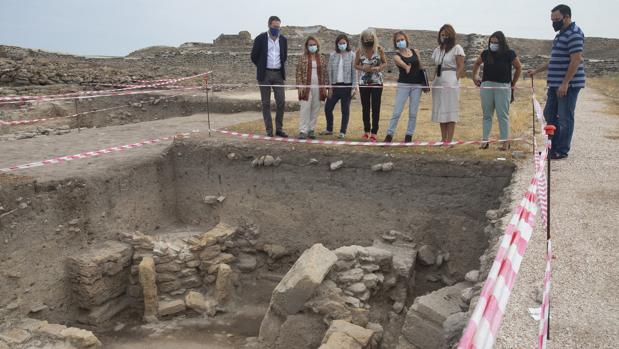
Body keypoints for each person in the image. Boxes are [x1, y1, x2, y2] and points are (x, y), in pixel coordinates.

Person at [527, 4, 585, 160]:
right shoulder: (560, 35)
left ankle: (561, 150)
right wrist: (536, 71)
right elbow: (554, 60)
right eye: (552, 20)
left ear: (566, 17)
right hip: (554, 84)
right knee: (548, 115)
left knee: (565, 117)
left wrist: (565, 83)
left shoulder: (574, 34)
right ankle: (551, 147)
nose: (554, 22)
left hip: (568, 85)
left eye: (557, 19)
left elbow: (576, 60)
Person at [472, 31, 522, 150]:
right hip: (487, 86)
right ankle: (485, 141)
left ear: (501, 43)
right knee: (487, 115)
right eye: (491, 42)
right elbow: (477, 64)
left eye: (496, 42)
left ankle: (505, 142)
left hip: (503, 87)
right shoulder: (485, 53)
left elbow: (518, 67)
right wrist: (474, 77)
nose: (493, 44)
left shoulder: (509, 54)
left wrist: (513, 83)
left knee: (502, 115)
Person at [385, 31, 427, 143]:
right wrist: (406, 66)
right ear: (395, 43)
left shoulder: (415, 52)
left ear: (406, 40)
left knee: (413, 112)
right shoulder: (396, 55)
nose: (400, 42)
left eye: (402, 39)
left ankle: (409, 136)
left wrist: (425, 82)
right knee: (397, 111)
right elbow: (399, 62)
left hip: (417, 85)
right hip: (404, 85)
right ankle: (389, 134)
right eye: (398, 41)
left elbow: (420, 66)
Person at [251, 16, 288, 137]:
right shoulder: (260, 38)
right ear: (269, 25)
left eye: (278, 27)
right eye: (274, 27)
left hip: (278, 74)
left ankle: (279, 128)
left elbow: (284, 56)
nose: (276, 29)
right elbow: (254, 56)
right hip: (264, 74)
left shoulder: (283, 39)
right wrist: (262, 66)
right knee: (266, 103)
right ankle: (269, 130)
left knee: (281, 101)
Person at [431, 24, 465, 143]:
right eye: (442, 34)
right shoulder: (437, 50)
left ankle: (449, 140)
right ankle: (443, 138)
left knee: (450, 110)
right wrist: (433, 81)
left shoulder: (457, 48)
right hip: (439, 81)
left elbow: (460, 66)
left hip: (450, 80)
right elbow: (436, 67)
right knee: (441, 110)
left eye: (446, 35)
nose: (443, 36)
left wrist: (455, 80)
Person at [322, 34, 357, 139]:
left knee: (345, 110)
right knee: (328, 108)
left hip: (347, 86)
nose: (342, 45)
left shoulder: (352, 55)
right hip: (335, 86)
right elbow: (329, 71)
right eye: (340, 43)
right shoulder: (333, 55)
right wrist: (330, 86)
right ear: (337, 44)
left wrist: (354, 87)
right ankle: (329, 129)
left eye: (344, 43)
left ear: (347, 43)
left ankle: (342, 131)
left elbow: (354, 72)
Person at [355, 29, 386, 142]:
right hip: (364, 83)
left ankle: (374, 132)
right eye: (366, 39)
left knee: (376, 107)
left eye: (370, 38)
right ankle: (366, 131)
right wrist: (363, 68)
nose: (368, 40)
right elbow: (355, 65)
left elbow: (384, 62)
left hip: (377, 82)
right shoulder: (359, 51)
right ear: (362, 39)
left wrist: (378, 68)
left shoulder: (379, 50)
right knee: (365, 107)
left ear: (374, 39)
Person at [295, 36, 329, 139]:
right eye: (310, 45)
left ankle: (311, 129)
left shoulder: (322, 58)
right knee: (305, 108)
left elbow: (325, 73)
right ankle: (303, 130)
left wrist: (326, 86)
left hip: (318, 86)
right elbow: (298, 72)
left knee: (315, 108)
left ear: (317, 46)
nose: (312, 46)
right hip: (306, 87)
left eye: (314, 45)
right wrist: (299, 84)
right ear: (307, 46)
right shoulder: (302, 58)